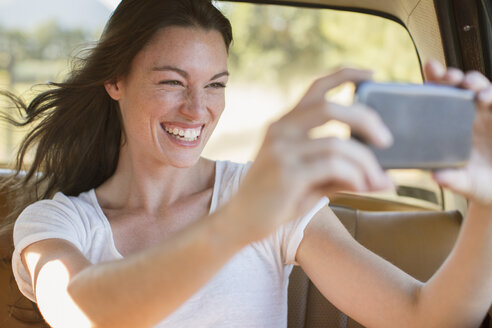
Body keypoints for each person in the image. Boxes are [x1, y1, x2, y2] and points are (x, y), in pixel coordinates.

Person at [4, 0, 492, 327]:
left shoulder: (263, 198)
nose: (198, 110)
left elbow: (427, 316)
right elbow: (86, 312)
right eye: (172, 82)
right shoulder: (57, 222)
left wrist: (490, 203)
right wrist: (240, 221)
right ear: (116, 82)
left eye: (215, 84)